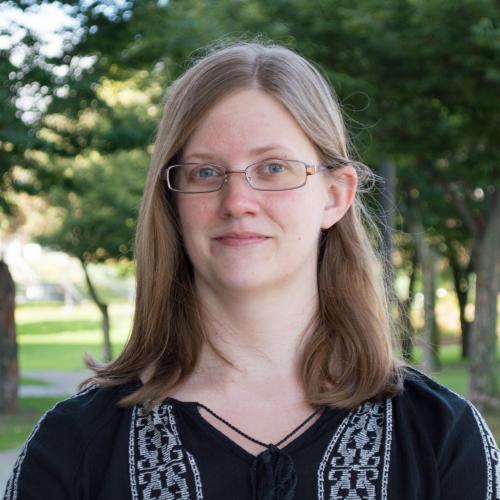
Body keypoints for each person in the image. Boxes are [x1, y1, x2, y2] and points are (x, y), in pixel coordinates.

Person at [4, 42, 499, 500]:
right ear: (171, 202)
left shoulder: (442, 438)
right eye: (205, 172)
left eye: (274, 168)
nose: (237, 201)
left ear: (335, 196)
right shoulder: (73, 445)